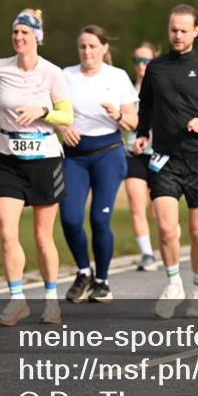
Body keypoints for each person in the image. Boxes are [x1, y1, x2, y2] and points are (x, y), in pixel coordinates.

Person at [135, 5, 198, 319]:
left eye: (183, 30)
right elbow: (146, 105)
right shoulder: (156, 68)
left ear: (195, 31)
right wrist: (141, 133)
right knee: (165, 227)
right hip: (164, 158)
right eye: (173, 30)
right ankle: (173, 283)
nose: (177, 36)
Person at [0, 9, 73, 326]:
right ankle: (17, 300)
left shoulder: (52, 73)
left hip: (45, 162)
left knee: (42, 237)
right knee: (7, 233)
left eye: (25, 33)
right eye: (15, 33)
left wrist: (42, 111)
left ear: (37, 37)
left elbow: (67, 116)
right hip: (7, 161)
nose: (19, 38)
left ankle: (50, 301)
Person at [60, 26, 139, 303]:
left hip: (108, 153)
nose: (87, 52)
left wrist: (117, 114)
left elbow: (133, 122)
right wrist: (62, 128)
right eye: (82, 46)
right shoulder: (65, 75)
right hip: (74, 157)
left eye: (93, 46)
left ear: (104, 48)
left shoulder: (117, 77)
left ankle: (103, 280)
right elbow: (51, 112)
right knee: (69, 218)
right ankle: (84, 272)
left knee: (99, 218)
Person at [124, 43, 161, 271]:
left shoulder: (162, 87)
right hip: (133, 154)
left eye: (146, 61)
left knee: (158, 210)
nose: (141, 65)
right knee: (136, 205)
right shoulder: (126, 90)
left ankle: (169, 244)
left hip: (159, 155)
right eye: (137, 60)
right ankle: (147, 253)